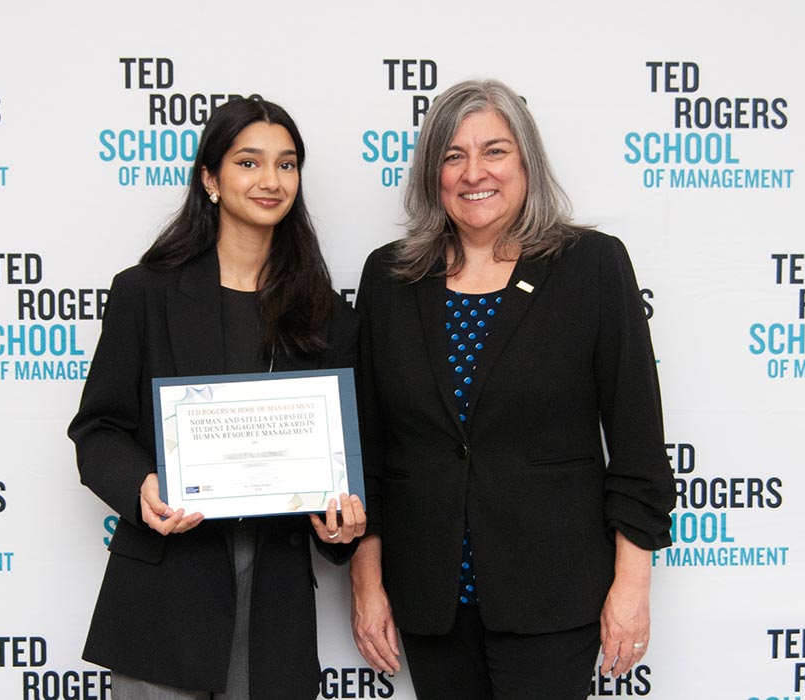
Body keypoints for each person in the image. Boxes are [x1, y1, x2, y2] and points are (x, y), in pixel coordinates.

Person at [348, 79, 675, 700]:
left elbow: (637, 444)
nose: (475, 172)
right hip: (429, 596)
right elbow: (367, 451)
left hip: (554, 592)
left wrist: (632, 587)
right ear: (431, 172)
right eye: (453, 155)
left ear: (527, 162)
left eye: (494, 151)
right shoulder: (388, 277)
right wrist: (367, 584)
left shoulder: (592, 267)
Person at [68, 97, 365, 700]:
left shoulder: (326, 313)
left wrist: (344, 526)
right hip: (165, 589)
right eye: (249, 162)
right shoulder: (144, 293)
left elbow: (353, 461)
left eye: (286, 165)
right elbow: (97, 430)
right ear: (210, 178)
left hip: (275, 595)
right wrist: (140, 485)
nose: (270, 180)